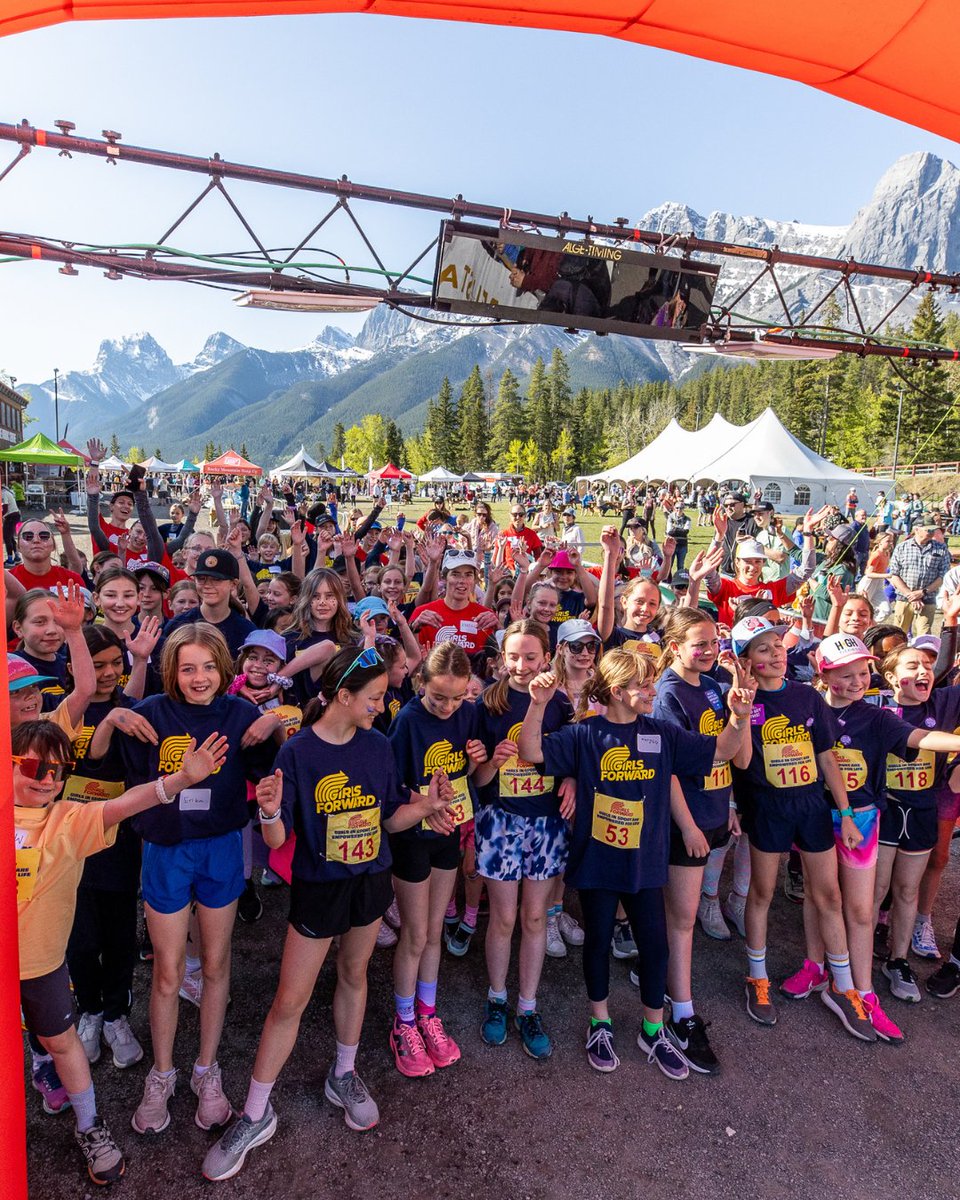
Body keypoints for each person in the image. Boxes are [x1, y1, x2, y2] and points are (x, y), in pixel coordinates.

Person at [200, 647, 453, 1181]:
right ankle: (255, 1112)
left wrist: (426, 808)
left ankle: (344, 1073)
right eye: (375, 697)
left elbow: (389, 819)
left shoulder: (378, 747)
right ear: (343, 696)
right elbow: (276, 838)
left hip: (369, 884)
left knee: (355, 974)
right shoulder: (297, 754)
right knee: (289, 1000)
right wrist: (269, 810)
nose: (382, 706)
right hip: (319, 890)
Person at [517, 647, 751, 1075]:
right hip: (597, 863)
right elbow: (530, 751)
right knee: (598, 941)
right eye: (643, 685)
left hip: (647, 862)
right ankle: (600, 1022)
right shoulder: (585, 734)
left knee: (655, 945)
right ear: (619, 692)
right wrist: (537, 705)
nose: (651, 691)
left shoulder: (660, 733)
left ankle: (652, 1028)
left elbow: (722, 751)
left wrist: (738, 717)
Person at [14, 717, 226, 1185]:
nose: (46, 778)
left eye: (57, 769)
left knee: (62, 1044)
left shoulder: (68, 819)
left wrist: (179, 781)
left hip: (42, 969)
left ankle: (89, 1124)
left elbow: (125, 804)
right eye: (32, 766)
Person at [119, 624, 279, 1137]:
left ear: (223, 668)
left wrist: (273, 721)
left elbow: (273, 767)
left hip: (222, 848)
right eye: (187, 667)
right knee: (167, 971)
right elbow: (119, 774)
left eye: (209, 666)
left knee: (215, 963)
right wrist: (115, 716)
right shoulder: (151, 715)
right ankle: (161, 1074)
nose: (199, 677)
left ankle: (206, 1069)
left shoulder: (240, 715)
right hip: (166, 851)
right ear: (172, 670)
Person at [730, 615, 873, 1037]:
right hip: (766, 805)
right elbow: (738, 762)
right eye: (762, 649)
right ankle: (757, 979)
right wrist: (739, 711)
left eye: (777, 645)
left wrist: (845, 813)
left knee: (827, 894)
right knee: (763, 893)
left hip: (811, 804)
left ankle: (843, 987)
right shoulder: (739, 699)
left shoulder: (808, 697)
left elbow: (827, 756)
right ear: (746, 660)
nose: (774, 654)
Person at [652, 609, 752, 1073]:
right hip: (683, 822)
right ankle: (682, 1014)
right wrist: (690, 826)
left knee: (681, 920)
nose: (710, 649)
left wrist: (740, 714)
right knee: (684, 920)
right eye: (699, 643)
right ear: (674, 646)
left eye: (714, 641)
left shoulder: (713, 685)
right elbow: (668, 768)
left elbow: (731, 754)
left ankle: (662, 975)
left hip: (712, 813)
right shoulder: (668, 695)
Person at [471, 621, 573, 1059]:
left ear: (546, 658)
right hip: (500, 821)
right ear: (500, 658)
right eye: (513, 656)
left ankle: (527, 1006)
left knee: (535, 919)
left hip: (547, 823)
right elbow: (476, 780)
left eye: (530, 657)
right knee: (504, 918)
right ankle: (497, 998)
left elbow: (574, 755)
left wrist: (570, 778)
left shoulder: (561, 703)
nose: (521, 665)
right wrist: (492, 763)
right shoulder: (487, 703)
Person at [387, 644, 485, 1076]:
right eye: (438, 696)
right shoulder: (407, 721)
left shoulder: (468, 713)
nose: (447, 707)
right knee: (415, 932)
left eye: (457, 697)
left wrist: (484, 764)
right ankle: (403, 1021)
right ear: (420, 683)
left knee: (432, 934)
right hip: (412, 836)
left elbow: (472, 779)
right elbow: (389, 788)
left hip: (449, 833)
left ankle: (427, 1014)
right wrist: (425, 801)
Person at [410, 550, 497, 656]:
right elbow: (410, 657)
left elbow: (498, 659)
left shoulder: (486, 617)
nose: (462, 580)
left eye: (468, 575)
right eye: (455, 574)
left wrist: (498, 627)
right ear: (444, 578)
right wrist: (414, 628)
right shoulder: (422, 614)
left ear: (474, 579)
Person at [887, 522, 952, 635]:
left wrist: (922, 592)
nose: (932, 533)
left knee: (924, 634)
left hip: (928, 598)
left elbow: (943, 575)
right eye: (928, 530)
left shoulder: (941, 549)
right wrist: (911, 595)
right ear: (917, 529)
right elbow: (894, 574)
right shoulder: (902, 547)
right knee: (899, 633)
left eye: (933, 530)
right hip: (904, 598)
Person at [12, 518, 85, 592]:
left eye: (44, 536)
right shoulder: (6, 581)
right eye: (28, 536)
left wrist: (66, 534)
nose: (36, 540)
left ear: (53, 546)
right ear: (18, 546)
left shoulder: (72, 580)